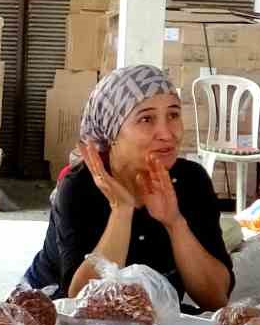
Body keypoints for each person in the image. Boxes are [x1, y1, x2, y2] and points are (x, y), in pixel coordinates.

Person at [23, 65, 234, 311]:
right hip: (52, 309)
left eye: (174, 115)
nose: (167, 133)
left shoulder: (191, 181)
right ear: (113, 132)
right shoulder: (80, 187)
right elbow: (80, 300)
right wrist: (121, 211)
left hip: (147, 314)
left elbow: (216, 298)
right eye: (146, 119)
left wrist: (175, 223)